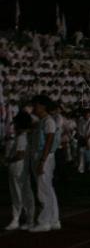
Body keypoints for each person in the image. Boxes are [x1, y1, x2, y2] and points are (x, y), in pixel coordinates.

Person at [28, 94, 61, 232]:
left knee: (42, 189)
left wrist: (42, 160)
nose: (33, 108)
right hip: (42, 156)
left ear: (42, 106)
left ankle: (44, 221)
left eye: (35, 105)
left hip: (44, 157)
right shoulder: (42, 121)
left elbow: (49, 141)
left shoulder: (48, 121)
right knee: (47, 188)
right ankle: (53, 219)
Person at [4, 111, 34, 230]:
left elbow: (20, 154)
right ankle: (24, 217)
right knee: (21, 193)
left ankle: (20, 218)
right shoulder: (22, 136)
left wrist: (8, 160)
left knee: (20, 194)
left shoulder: (22, 137)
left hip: (18, 168)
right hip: (18, 168)